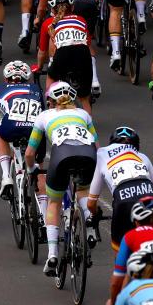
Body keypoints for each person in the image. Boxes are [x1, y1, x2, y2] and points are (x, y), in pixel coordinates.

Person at [24, 81, 97, 275]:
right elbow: (96, 146)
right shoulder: (84, 115)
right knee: (82, 190)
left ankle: (52, 255)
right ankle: (89, 226)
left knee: (54, 202)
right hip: (88, 156)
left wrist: (32, 170)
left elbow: (30, 153)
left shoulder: (44, 116)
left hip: (61, 156)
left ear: (50, 101)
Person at [84, 126, 153, 252]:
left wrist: (94, 214)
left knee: (120, 253)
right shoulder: (143, 156)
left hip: (124, 197)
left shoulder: (101, 153)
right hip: (150, 192)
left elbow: (91, 202)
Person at [0, 60, 43, 199]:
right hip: (34, 129)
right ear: (27, 79)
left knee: (0, 133)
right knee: (38, 168)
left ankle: (6, 176)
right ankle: (42, 207)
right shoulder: (35, 89)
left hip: (11, 126)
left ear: (6, 79)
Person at [34, 0, 97, 112]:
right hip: (83, 54)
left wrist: (39, 67)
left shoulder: (48, 23)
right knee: (85, 98)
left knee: (51, 76)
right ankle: (90, 128)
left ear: (52, 9)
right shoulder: (81, 19)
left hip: (63, 54)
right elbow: (86, 42)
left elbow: (42, 52)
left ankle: (50, 105)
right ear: (73, 6)